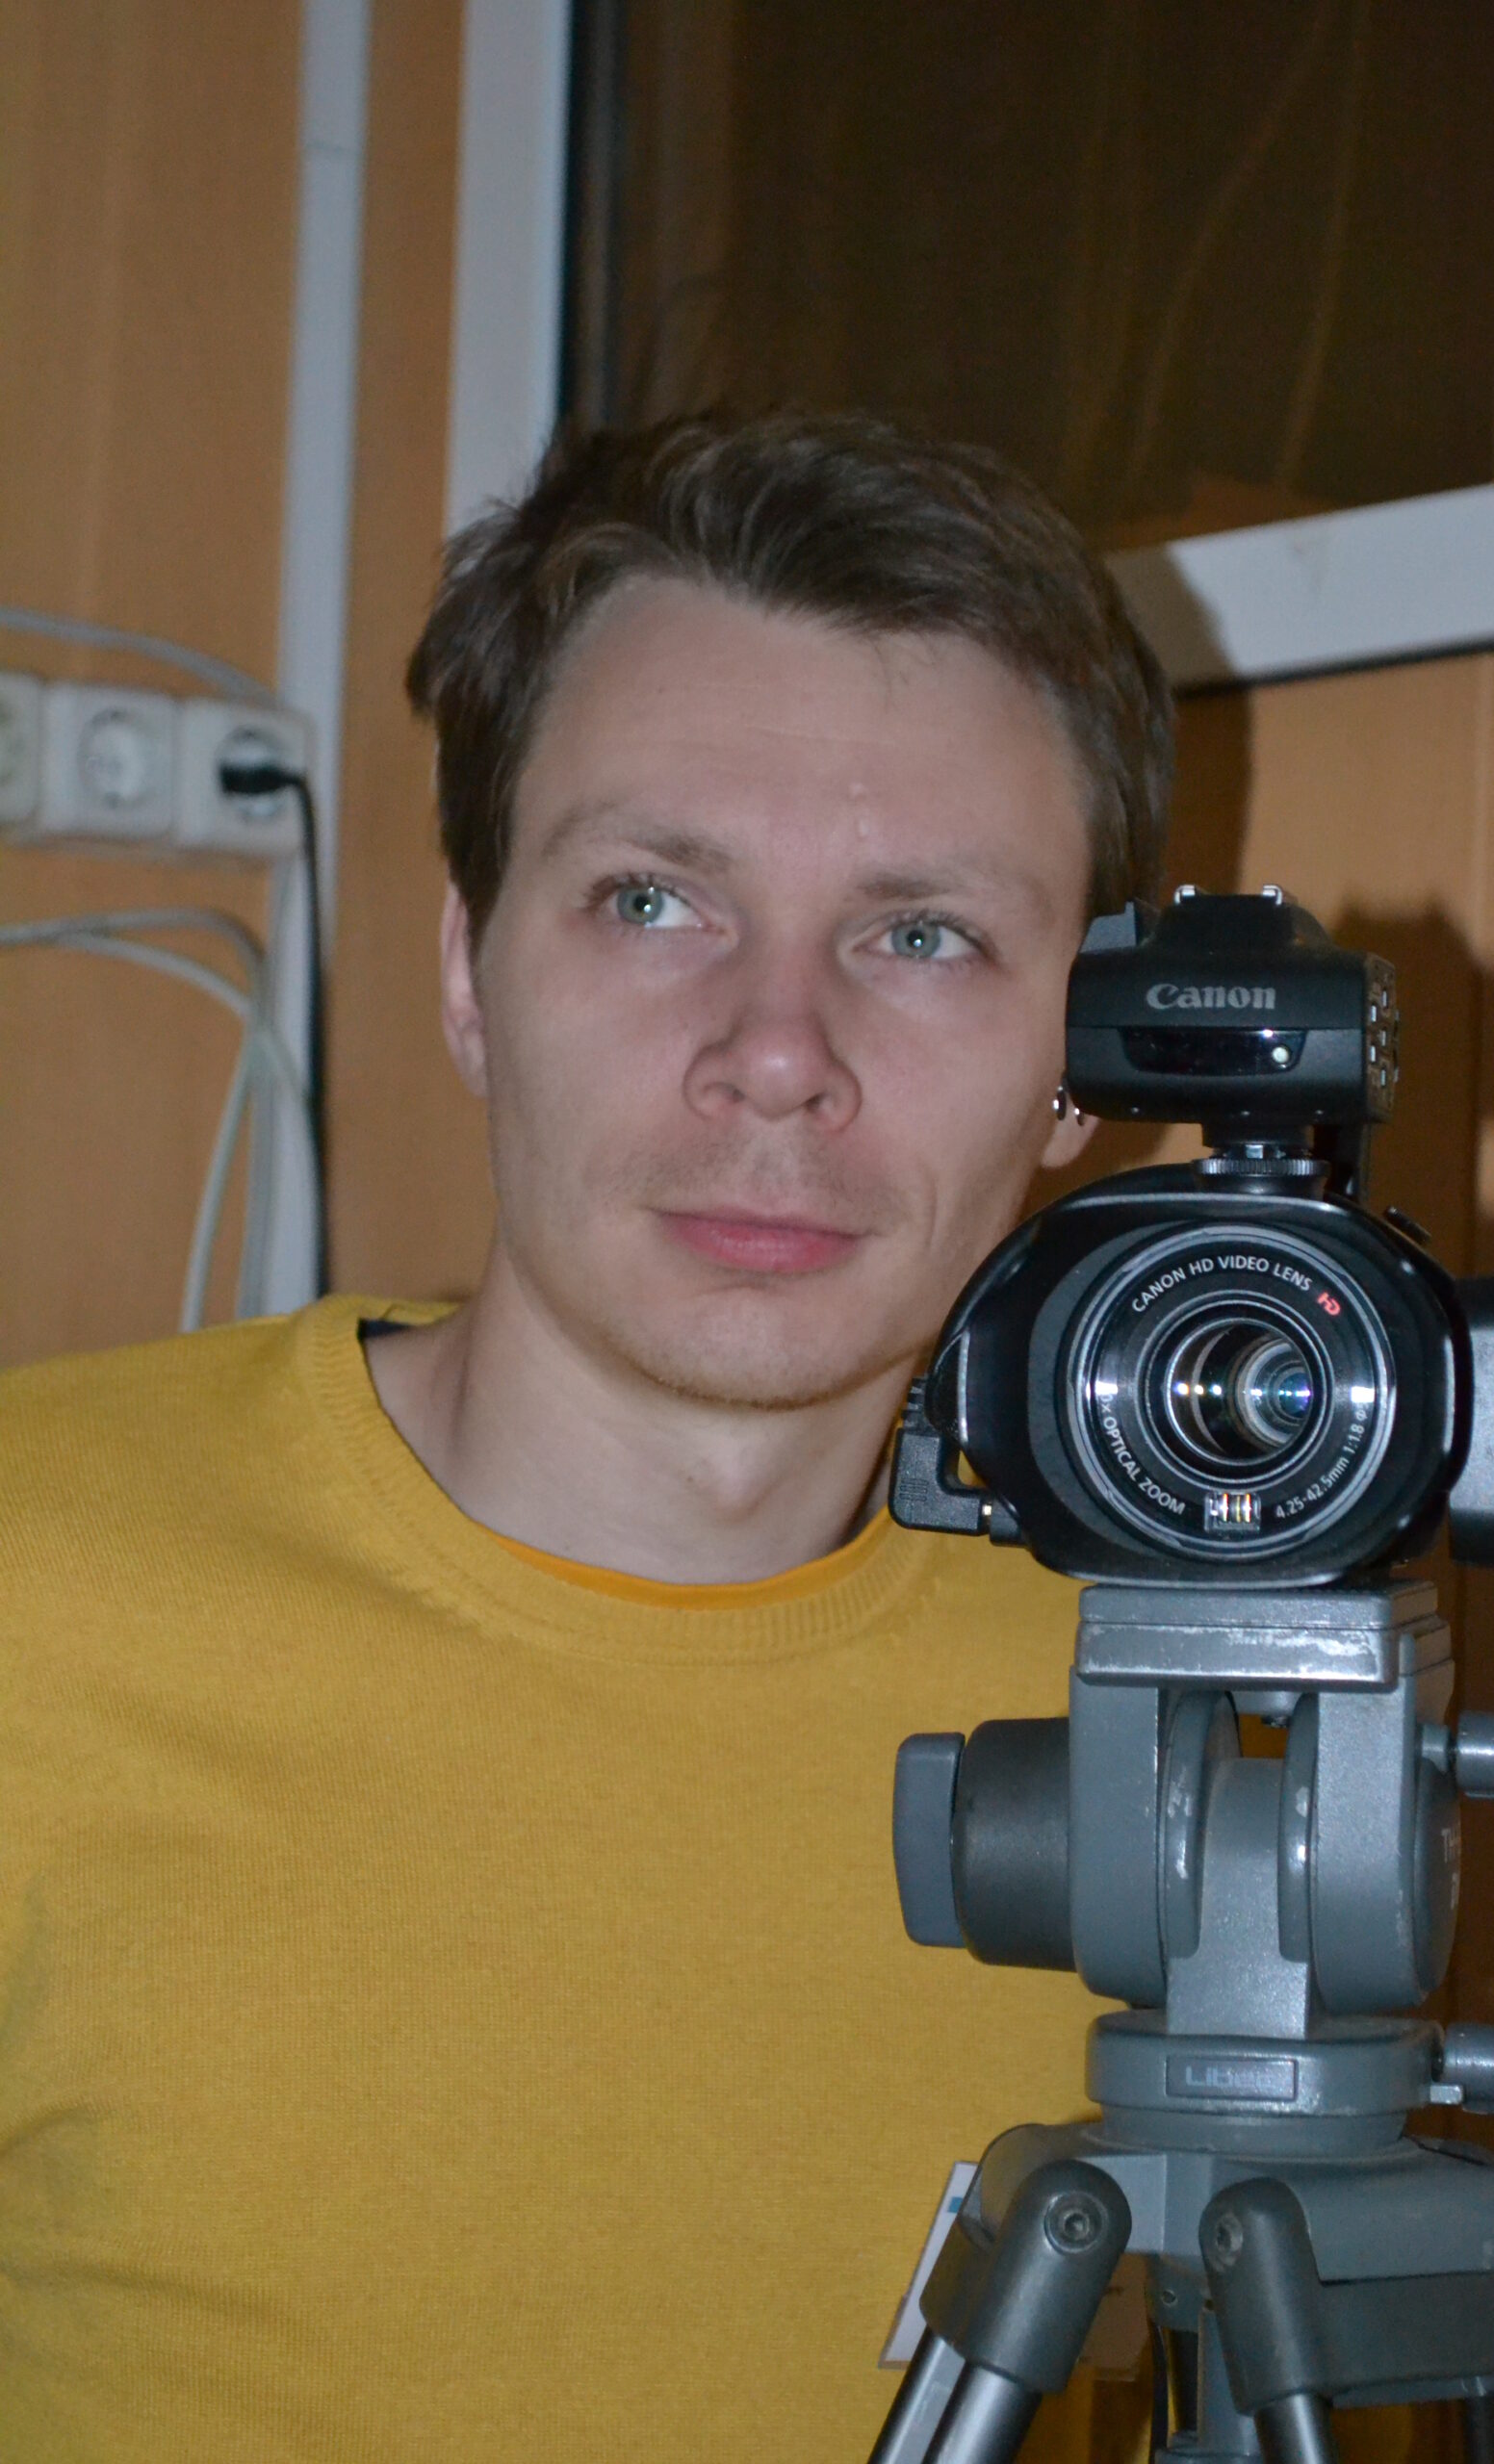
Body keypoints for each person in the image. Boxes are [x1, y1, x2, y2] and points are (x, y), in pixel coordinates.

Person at [0, 411, 1172, 2461]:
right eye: (650, 901)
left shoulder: (1192, 1713)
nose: (776, 1058)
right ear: (470, 972)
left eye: (920, 934)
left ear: (1078, 1060)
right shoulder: (36, 1587)